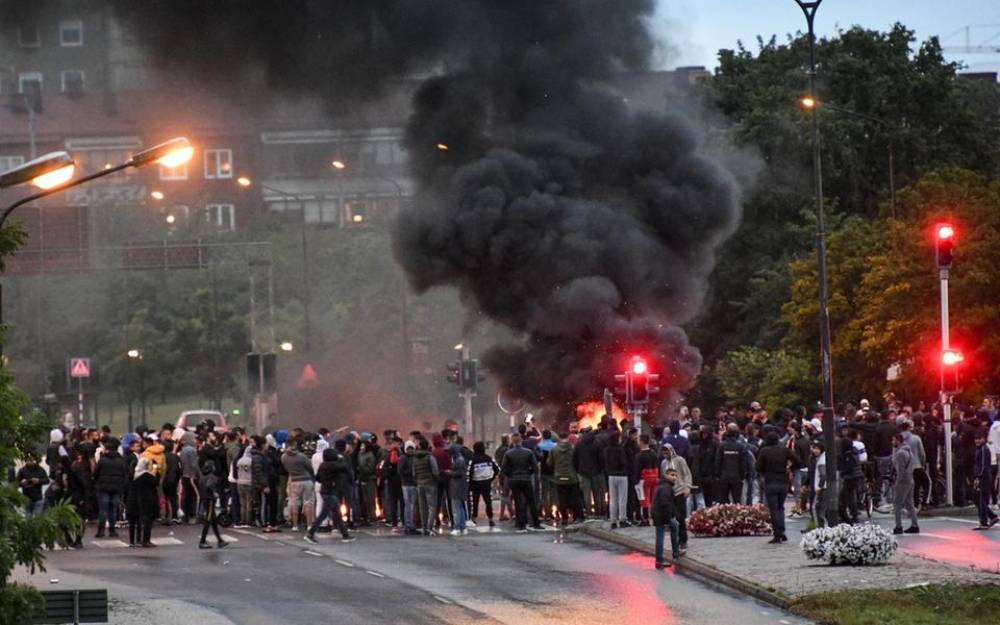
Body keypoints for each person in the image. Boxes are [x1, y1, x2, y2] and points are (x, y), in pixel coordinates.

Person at [304, 447, 355, 543]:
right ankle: (310, 533)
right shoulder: (332, 465)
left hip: (326, 490)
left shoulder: (323, 465)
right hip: (330, 491)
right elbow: (344, 467)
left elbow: (318, 478)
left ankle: (345, 534)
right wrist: (342, 458)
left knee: (337, 514)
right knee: (323, 514)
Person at [756, 430, 798, 544]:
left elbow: (758, 467)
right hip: (783, 481)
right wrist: (789, 467)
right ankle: (782, 530)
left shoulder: (764, 451)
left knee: (773, 509)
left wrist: (765, 472)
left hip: (770, 481)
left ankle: (777, 533)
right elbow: (798, 460)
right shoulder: (784, 450)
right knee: (781, 507)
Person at [501, 433, 541, 532]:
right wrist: (529, 473)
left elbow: (503, 468)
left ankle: (521, 524)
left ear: (512, 442)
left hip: (514, 479)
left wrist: (510, 475)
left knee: (518, 502)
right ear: (521, 441)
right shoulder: (528, 452)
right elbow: (535, 467)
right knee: (531, 501)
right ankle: (536, 523)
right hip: (526, 478)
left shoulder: (508, 453)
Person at [93, 438, 127, 538]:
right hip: (116, 488)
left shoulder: (102, 460)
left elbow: (96, 474)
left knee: (103, 510)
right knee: (113, 509)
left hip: (103, 487)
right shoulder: (121, 461)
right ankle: (112, 530)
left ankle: (101, 531)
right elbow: (125, 474)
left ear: (107, 449)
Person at [660, 443, 692, 549]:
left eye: (667, 451)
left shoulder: (680, 460)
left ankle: (683, 540)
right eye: (663, 452)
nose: (665, 453)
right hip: (669, 493)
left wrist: (687, 487)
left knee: (680, 517)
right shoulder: (664, 463)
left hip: (680, 491)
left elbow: (687, 473)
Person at [548, 432, 583, 526]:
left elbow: (549, 463)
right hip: (572, 478)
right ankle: (576, 517)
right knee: (575, 498)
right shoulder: (572, 449)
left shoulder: (554, 449)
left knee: (561, 499)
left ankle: (564, 518)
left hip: (559, 478)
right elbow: (577, 461)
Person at [282, 439, 315, 531]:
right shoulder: (301, 456)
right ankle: (309, 525)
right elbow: (310, 466)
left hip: (294, 480)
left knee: (294, 502)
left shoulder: (284, 457)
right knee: (308, 502)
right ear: (294, 444)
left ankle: (295, 525)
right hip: (306, 480)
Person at [197, 459, 230, 549]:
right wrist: (214, 492)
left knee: (213, 521)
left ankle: (220, 540)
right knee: (208, 520)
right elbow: (209, 485)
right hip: (210, 499)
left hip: (204, 498)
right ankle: (202, 541)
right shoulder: (212, 477)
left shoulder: (203, 475)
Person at [891, 432, 919, 535]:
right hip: (910, 479)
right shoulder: (909, 452)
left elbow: (900, 471)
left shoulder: (900, 454)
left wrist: (897, 482)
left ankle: (898, 526)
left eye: (893, 440)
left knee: (897, 504)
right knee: (909, 503)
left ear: (898, 441)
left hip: (903, 481)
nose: (892, 442)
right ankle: (914, 524)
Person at [652, 468, 680, 570]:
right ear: (666, 475)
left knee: (673, 527)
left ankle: (674, 553)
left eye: (676, 476)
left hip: (658, 514)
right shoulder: (666, 487)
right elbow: (665, 504)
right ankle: (661, 559)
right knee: (661, 536)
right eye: (672, 475)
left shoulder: (663, 485)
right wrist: (669, 518)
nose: (674, 478)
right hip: (661, 515)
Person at [128, 457, 160, 548]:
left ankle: (133, 541)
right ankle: (145, 540)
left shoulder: (134, 476)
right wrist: (155, 467)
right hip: (148, 500)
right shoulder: (146, 476)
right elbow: (156, 481)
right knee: (147, 521)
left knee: (134, 523)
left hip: (135, 501)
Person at [468, 441, 500, 530]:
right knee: (488, 501)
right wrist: (491, 478)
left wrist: (470, 483)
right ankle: (490, 519)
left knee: (475, 501)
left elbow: (469, 472)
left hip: (476, 483)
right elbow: (497, 469)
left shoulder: (473, 460)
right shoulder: (489, 458)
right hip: (486, 482)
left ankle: (473, 518)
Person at [972, 429, 999, 530]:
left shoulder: (983, 449)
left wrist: (978, 477)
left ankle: (985, 521)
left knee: (980, 499)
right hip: (982, 476)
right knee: (979, 500)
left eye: (979, 439)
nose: (977, 441)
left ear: (984, 439)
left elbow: (983, 465)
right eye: (976, 439)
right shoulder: (980, 448)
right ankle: (991, 517)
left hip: (983, 477)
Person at [602, 431, 630, 529]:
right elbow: (624, 462)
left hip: (611, 476)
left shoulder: (606, 450)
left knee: (613, 499)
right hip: (622, 476)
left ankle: (613, 520)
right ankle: (622, 519)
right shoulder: (620, 450)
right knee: (622, 498)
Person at [412, 438, 440, 536]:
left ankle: (424, 528)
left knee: (422, 507)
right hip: (430, 484)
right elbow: (435, 471)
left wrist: (417, 481)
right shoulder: (430, 457)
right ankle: (429, 527)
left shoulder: (415, 458)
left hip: (419, 484)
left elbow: (413, 473)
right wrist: (436, 480)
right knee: (432, 507)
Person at [179, 432, 200, 524]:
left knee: (187, 495)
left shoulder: (183, 450)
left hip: (184, 475)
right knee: (195, 496)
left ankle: (186, 515)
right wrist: (199, 473)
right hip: (191, 475)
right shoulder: (192, 450)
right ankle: (193, 515)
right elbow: (194, 464)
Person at [449, 443, 469, 535]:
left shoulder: (458, 460)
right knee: (460, 507)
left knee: (456, 508)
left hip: (457, 486)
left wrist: (450, 473)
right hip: (461, 486)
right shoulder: (460, 459)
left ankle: (457, 527)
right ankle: (462, 526)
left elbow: (459, 473)